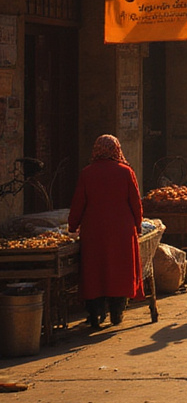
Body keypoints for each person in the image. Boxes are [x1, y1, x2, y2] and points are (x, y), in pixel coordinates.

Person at [68, 135, 144, 330]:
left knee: (95, 270)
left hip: (94, 230)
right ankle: (117, 313)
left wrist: (72, 226)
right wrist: (138, 224)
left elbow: (78, 203)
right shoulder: (126, 172)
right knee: (119, 269)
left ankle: (95, 314)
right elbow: (136, 202)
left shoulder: (87, 173)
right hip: (121, 230)